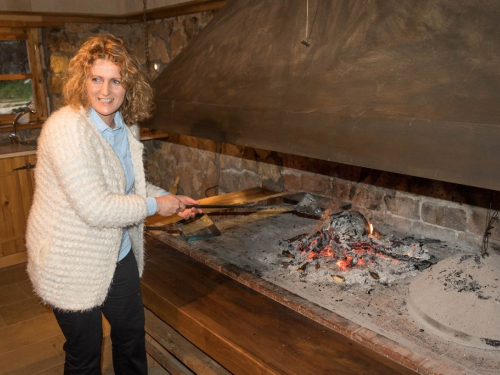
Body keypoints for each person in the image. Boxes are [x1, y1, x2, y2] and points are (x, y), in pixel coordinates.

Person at [26, 34, 200, 374]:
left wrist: (172, 199)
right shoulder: (66, 130)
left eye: (115, 81)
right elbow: (96, 207)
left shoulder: (126, 125)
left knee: (131, 336)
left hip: (116, 253)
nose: (106, 91)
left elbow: (130, 184)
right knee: (85, 354)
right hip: (69, 262)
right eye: (97, 79)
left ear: (128, 86)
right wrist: (154, 207)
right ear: (83, 81)